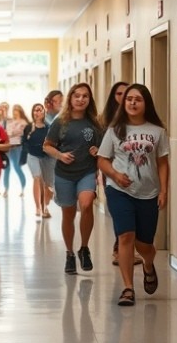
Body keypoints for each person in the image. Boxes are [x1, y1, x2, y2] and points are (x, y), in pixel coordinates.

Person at [97, 84, 170, 306]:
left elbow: (162, 163)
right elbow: (102, 159)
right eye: (129, 99)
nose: (132, 102)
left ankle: (148, 264)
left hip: (148, 193)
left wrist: (164, 190)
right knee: (126, 236)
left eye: (137, 99)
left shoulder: (158, 131)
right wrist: (115, 175)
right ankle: (128, 288)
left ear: (145, 103)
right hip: (119, 191)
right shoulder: (114, 130)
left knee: (144, 245)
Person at [43, 83, 103, 275]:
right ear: (70, 98)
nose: (80, 99)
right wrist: (60, 155)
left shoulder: (94, 123)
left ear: (89, 100)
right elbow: (47, 146)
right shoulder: (60, 122)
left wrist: (97, 151)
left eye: (85, 96)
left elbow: (103, 149)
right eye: (77, 96)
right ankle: (69, 253)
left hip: (86, 171)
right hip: (64, 174)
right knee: (68, 214)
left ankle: (84, 248)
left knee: (86, 205)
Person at [100, 81, 142, 266]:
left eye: (127, 94)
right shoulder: (105, 121)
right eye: (119, 94)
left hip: (137, 175)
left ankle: (127, 248)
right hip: (110, 171)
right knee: (119, 211)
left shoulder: (139, 121)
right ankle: (120, 248)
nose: (124, 98)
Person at [24, 103, 54, 217]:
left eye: (39, 110)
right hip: (33, 156)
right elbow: (24, 142)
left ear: (43, 112)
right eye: (35, 110)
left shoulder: (49, 127)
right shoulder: (29, 127)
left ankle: (45, 206)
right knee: (37, 178)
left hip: (47, 157)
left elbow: (54, 141)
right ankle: (38, 207)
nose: (37, 112)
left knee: (47, 184)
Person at [6, 104, 30, 197]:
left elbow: (18, 133)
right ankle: (6, 189)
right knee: (7, 168)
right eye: (14, 110)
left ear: (20, 111)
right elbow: (8, 133)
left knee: (17, 167)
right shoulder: (10, 122)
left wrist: (11, 133)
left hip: (18, 147)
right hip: (8, 147)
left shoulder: (23, 122)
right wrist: (11, 133)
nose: (15, 112)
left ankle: (23, 188)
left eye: (16, 110)